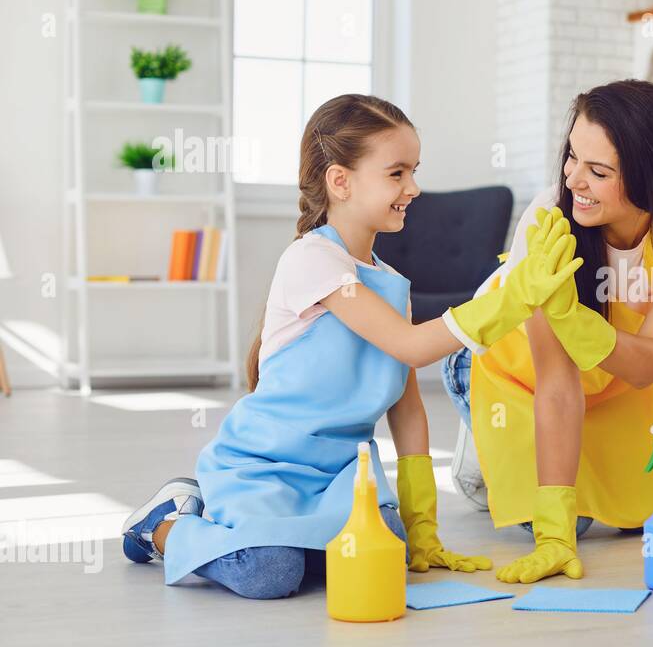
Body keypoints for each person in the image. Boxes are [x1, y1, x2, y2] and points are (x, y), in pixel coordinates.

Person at [121, 93, 580, 598]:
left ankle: (280, 536)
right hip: (266, 468)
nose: (414, 187)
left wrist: (422, 528)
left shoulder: (391, 285)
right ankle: (167, 522)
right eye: (397, 173)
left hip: (341, 476)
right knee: (270, 574)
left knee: (385, 555)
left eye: (414, 171)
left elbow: (407, 410)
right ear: (340, 181)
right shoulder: (313, 261)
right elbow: (410, 347)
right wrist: (510, 299)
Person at [440, 79, 653, 584]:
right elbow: (555, 381)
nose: (573, 179)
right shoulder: (549, 218)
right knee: (569, 519)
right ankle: (477, 467)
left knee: (637, 514)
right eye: (572, 157)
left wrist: (580, 325)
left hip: (610, 379)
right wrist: (554, 533)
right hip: (512, 373)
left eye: (597, 171)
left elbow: (649, 361)